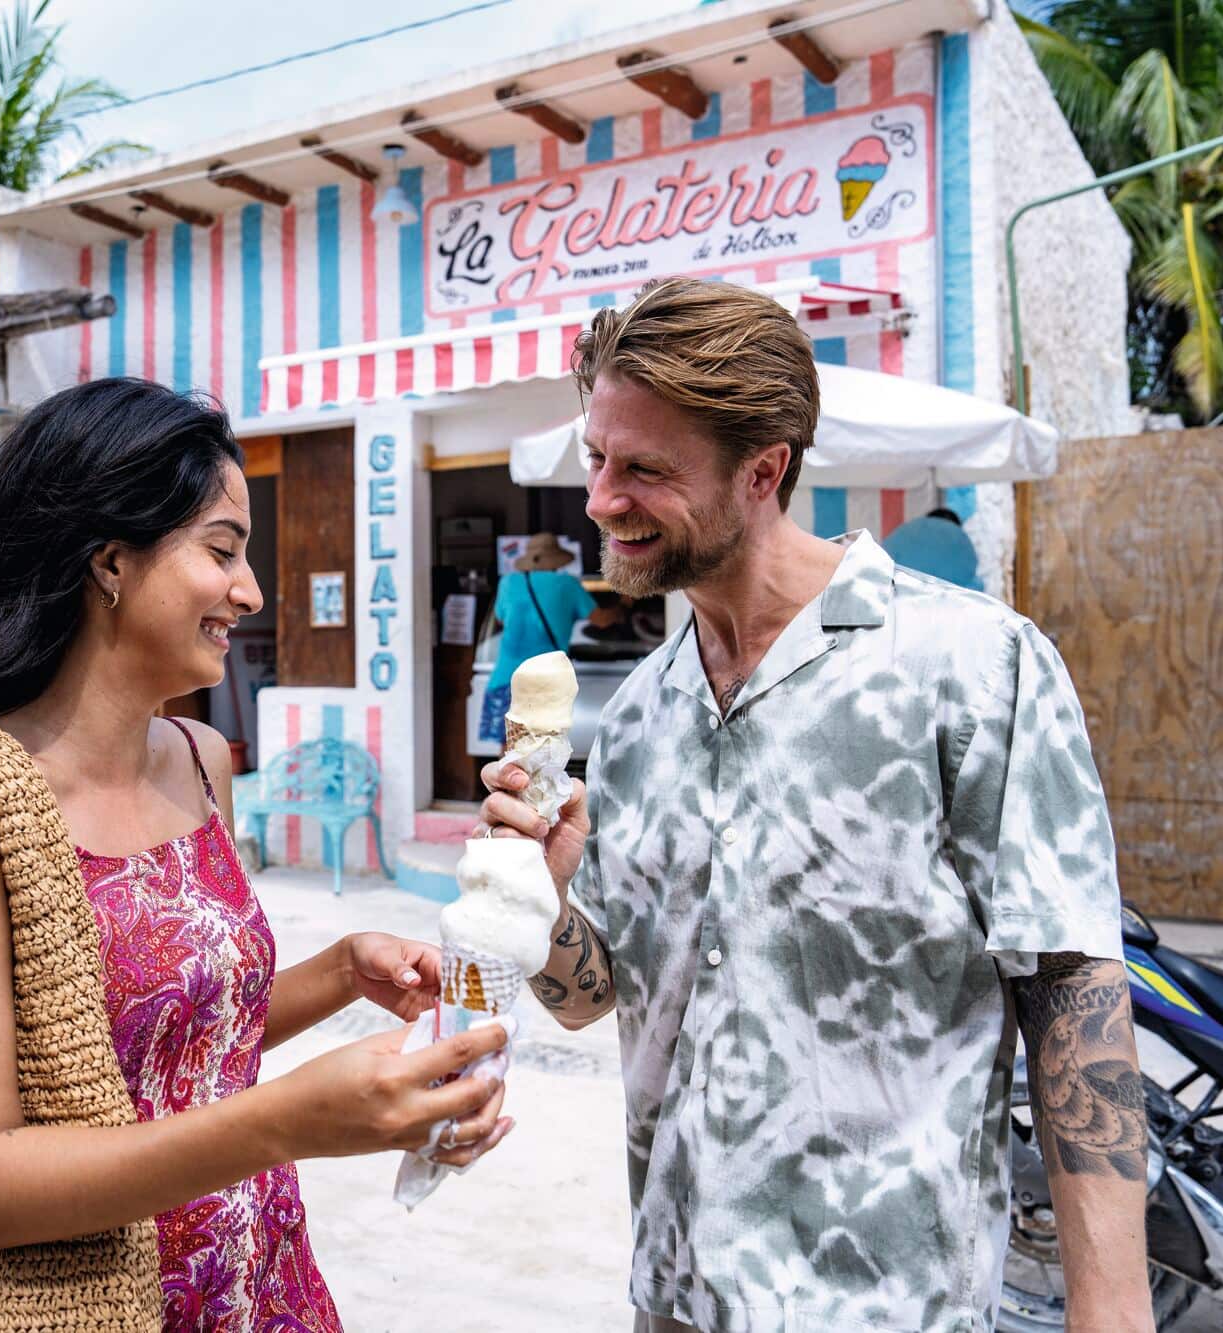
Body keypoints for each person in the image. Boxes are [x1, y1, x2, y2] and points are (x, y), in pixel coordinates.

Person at [479, 279, 1149, 1332]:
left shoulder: (970, 667)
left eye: (643, 470)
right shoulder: (642, 710)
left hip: (889, 1305)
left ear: (763, 471)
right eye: (596, 459)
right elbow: (592, 997)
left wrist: (1110, 1310)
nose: (599, 500)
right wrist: (540, 903)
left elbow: (1069, 991)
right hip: (672, 1293)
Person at [0, 378, 511, 1331]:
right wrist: (285, 1121)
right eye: (222, 550)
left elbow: (189, 1043)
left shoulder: (202, 760)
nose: (249, 590)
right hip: (102, 1307)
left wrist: (344, 971)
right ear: (109, 561)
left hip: (267, 1289)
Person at [479, 530, 597, 744]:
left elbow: (500, 619)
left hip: (506, 679)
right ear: (557, 559)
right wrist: (626, 604)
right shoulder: (567, 584)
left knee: (510, 750)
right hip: (545, 681)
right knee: (544, 749)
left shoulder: (508, 583)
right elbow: (601, 620)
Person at [882, 504, 983, 590]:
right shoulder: (959, 540)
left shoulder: (905, 532)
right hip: (943, 603)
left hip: (901, 596)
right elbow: (969, 579)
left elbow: (883, 560)